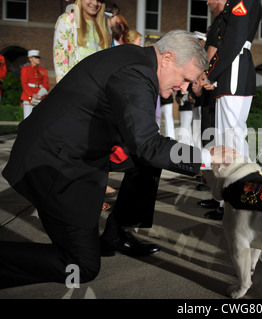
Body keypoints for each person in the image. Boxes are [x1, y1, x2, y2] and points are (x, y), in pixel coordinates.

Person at [0, 30, 234, 289]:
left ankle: (115, 234)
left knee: (149, 162)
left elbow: (139, 141)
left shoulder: (135, 58)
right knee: (82, 266)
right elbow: (147, 144)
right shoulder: (137, 73)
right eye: (184, 79)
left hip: (70, 148)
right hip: (53, 163)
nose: (183, 89)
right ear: (167, 58)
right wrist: (204, 157)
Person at [198, 0, 262, 220]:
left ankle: (235, 201)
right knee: (230, 137)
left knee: (231, 138)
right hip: (233, 69)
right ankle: (232, 198)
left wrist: (211, 73)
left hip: (233, 70)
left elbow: (233, 40)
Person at [53, 0, 111, 83]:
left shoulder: (105, 27)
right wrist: (65, 90)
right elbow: (60, 62)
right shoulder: (67, 20)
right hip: (75, 87)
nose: (95, 3)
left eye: (99, 0)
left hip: (99, 89)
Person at [20, 50, 49, 119]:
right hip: (28, 97)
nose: (38, 59)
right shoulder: (25, 69)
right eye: (36, 57)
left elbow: (46, 84)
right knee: (27, 118)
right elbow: (24, 84)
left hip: (40, 96)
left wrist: (39, 94)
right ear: (30, 59)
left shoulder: (43, 70)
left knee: (39, 118)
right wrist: (32, 94)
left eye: (38, 57)